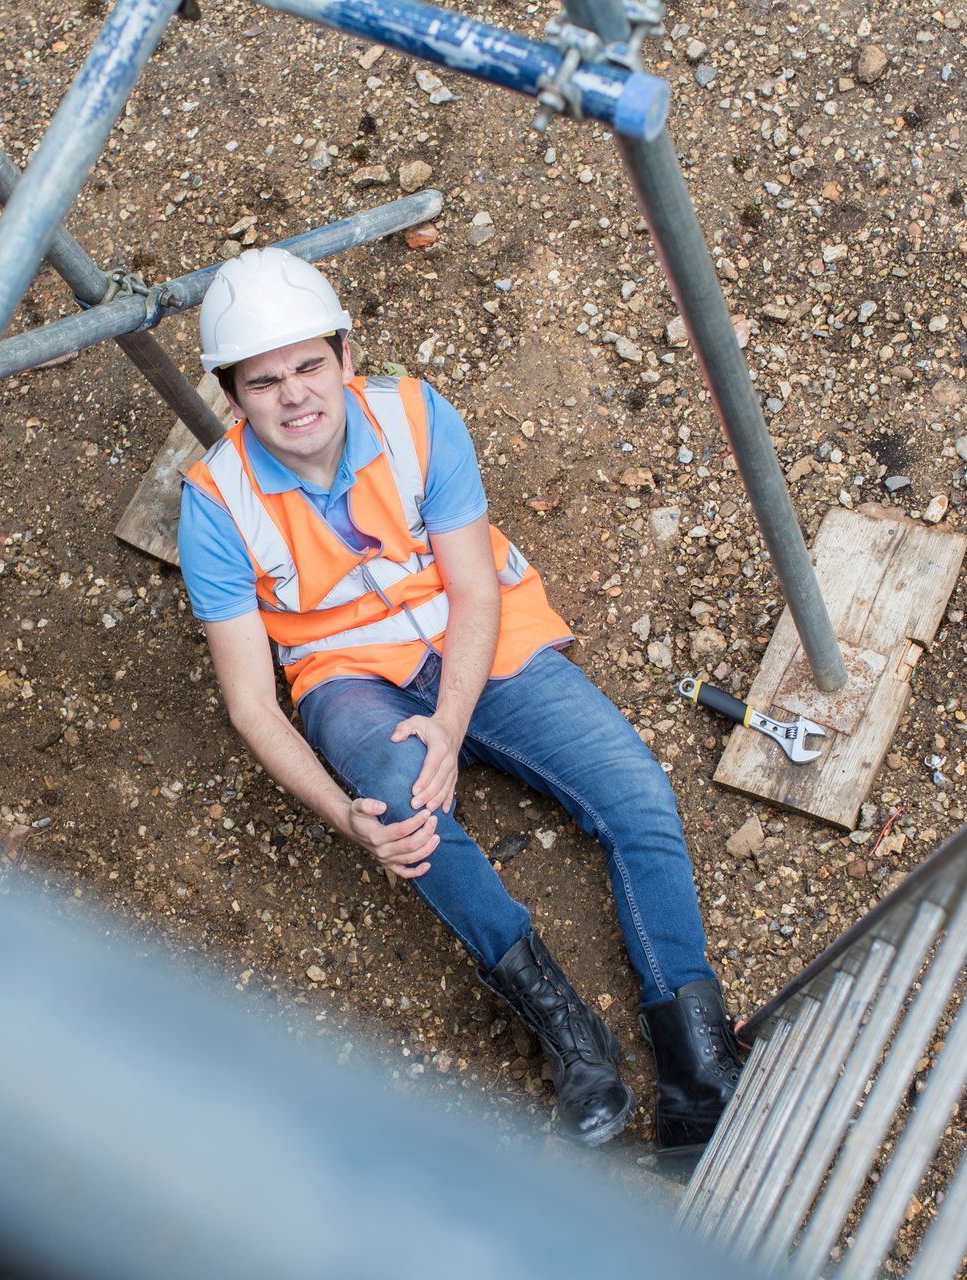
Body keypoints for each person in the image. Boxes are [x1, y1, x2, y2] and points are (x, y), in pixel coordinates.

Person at [178, 247, 741, 1160]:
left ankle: (698, 1069)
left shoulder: (415, 417)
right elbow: (251, 703)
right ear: (233, 396)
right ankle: (572, 1038)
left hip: (480, 637)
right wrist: (343, 818)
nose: (294, 396)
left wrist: (450, 722)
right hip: (349, 674)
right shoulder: (214, 501)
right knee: (402, 815)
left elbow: (475, 592)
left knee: (637, 796)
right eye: (263, 380)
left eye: (309, 366)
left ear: (347, 357)